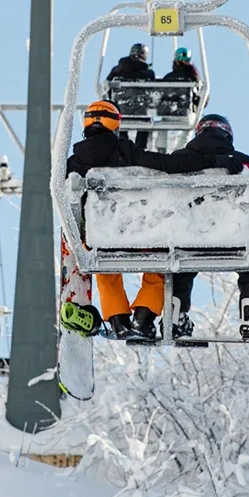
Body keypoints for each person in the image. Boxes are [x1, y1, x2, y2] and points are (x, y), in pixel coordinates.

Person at [141, 112, 249, 341]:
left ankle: (176, 318)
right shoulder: (241, 160)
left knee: (182, 272)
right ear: (227, 133)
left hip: (189, 239)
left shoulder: (179, 159)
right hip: (233, 240)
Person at [62, 99, 168, 339]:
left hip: (100, 238)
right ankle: (144, 316)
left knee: (104, 265)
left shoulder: (73, 163)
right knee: (160, 259)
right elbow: (164, 165)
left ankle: (118, 320)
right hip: (138, 235)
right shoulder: (128, 152)